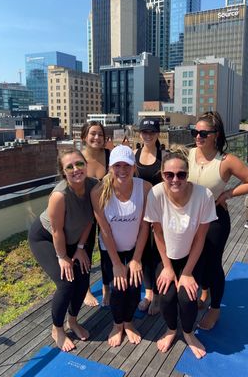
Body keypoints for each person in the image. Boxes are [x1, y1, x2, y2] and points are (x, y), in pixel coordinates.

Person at [188, 111, 248, 330]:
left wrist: (228, 194)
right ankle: (204, 292)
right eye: (195, 132)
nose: (198, 136)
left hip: (215, 219)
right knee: (196, 260)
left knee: (213, 263)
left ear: (215, 135)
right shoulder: (189, 154)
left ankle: (215, 308)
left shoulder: (226, 160)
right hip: (191, 218)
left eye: (203, 133)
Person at [144, 148, 217, 358]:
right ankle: (171, 329)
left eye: (181, 174)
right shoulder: (156, 194)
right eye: (169, 175)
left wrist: (186, 272)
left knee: (187, 298)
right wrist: (167, 268)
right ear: (162, 174)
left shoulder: (204, 195)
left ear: (188, 174)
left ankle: (187, 333)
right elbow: (157, 233)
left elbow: (200, 238)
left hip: (191, 257)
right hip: (166, 255)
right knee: (166, 297)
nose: (175, 179)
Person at [28, 148, 97, 351]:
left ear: (86, 164)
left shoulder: (94, 187)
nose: (76, 169)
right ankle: (57, 328)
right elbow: (57, 231)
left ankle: (73, 321)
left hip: (74, 240)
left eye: (79, 164)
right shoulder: (60, 195)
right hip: (46, 239)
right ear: (63, 172)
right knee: (66, 282)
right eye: (70, 167)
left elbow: (89, 221)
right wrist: (63, 257)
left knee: (83, 276)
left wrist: (81, 248)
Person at [91, 145, 152, 347]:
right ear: (110, 168)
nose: (122, 170)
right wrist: (117, 263)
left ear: (134, 167)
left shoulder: (144, 188)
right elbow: (105, 230)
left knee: (134, 287)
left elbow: (145, 226)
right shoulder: (99, 191)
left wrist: (135, 260)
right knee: (118, 288)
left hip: (135, 246)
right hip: (111, 249)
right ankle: (118, 325)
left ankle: (129, 322)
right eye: (117, 165)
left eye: (127, 165)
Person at [80, 121, 111, 307]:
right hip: (85, 214)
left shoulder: (110, 155)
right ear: (84, 136)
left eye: (100, 134)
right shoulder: (79, 159)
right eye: (93, 134)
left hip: (108, 211)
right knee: (86, 250)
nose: (97, 137)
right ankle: (86, 289)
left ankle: (107, 288)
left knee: (106, 251)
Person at [134, 118, 162, 315]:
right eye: (144, 131)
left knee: (158, 253)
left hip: (159, 212)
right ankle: (149, 293)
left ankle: (159, 296)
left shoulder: (164, 155)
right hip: (139, 213)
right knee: (143, 253)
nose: (148, 135)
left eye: (151, 131)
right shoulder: (134, 155)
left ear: (157, 133)